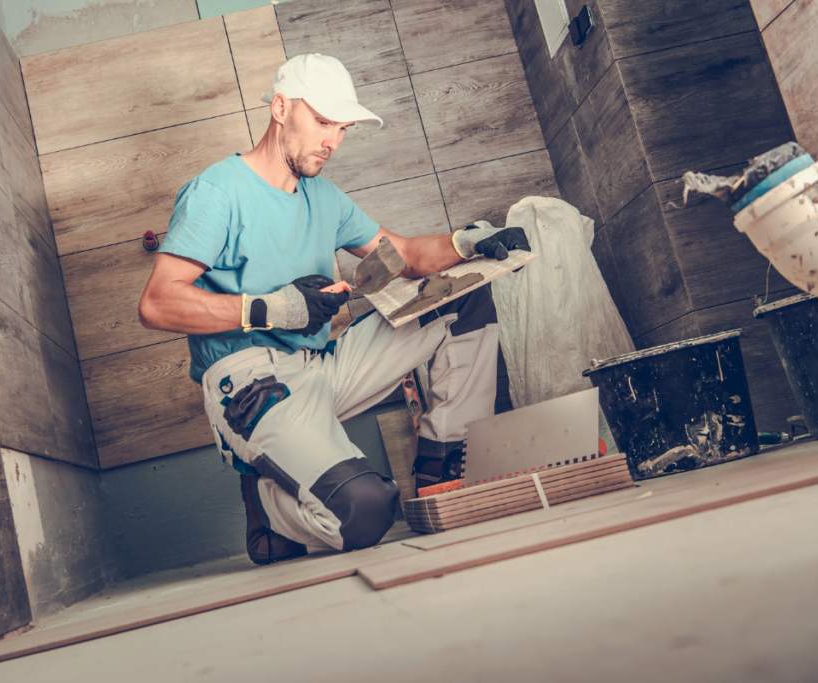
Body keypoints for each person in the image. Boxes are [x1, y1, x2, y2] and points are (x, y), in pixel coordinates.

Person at [138, 54, 530, 565]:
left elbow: (406, 256)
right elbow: (157, 303)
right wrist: (274, 308)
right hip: (253, 384)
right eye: (322, 122)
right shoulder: (218, 193)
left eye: (342, 128)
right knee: (365, 512)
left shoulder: (324, 196)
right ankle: (265, 503)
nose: (333, 141)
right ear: (281, 108)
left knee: (462, 299)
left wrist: (469, 243)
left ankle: (443, 468)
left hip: (324, 367)